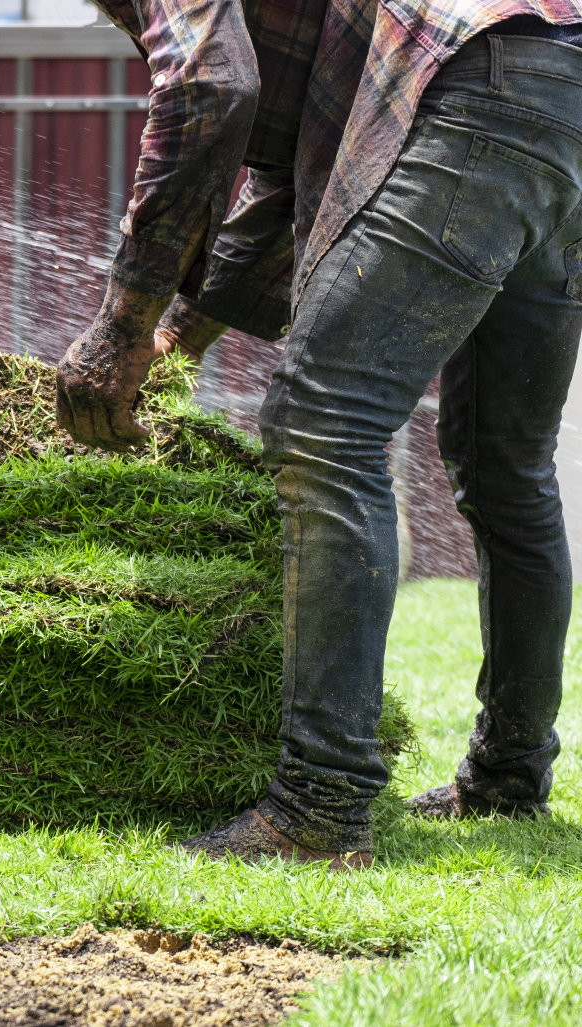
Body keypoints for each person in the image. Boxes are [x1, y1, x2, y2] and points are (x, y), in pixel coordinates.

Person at [56, 0, 582, 869]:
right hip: (559, 84)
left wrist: (121, 322)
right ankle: (508, 775)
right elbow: (298, 171)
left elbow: (210, 92)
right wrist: (179, 332)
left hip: (476, 89)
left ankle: (319, 806)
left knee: (323, 424)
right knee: (507, 466)